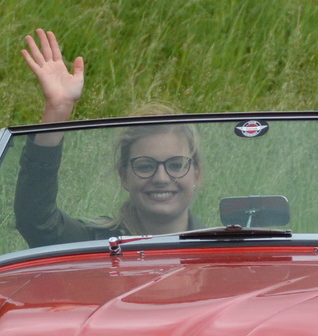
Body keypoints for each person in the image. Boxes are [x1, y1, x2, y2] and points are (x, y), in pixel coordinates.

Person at [13, 29, 204, 247]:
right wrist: (57, 111)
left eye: (176, 165)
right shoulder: (94, 245)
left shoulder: (226, 249)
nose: (161, 178)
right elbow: (37, 222)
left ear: (197, 174)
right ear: (124, 176)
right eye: (145, 166)